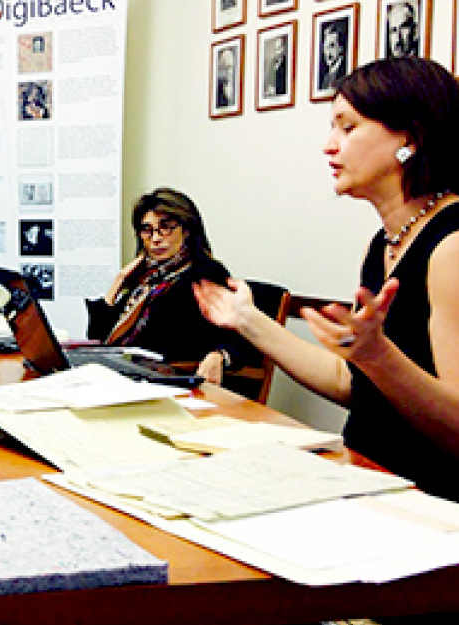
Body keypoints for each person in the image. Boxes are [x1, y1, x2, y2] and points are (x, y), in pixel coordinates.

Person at [194, 57, 459, 505]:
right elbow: (351, 382)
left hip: (430, 508)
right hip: (370, 481)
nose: (329, 146)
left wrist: (380, 357)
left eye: (348, 127)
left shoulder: (452, 246)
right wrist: (247, 320)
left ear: (409, 137)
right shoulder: (383, 244)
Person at [86, 188, 242, 385]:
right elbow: (97, 339)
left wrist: (219, 355)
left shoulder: (206, 273)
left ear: (186, 230)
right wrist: (118, 282)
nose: (156, 238)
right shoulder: (146, 279)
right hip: (128, 376)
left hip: (167, 382)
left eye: (166, 227)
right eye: (147, 230)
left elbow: (234, 334)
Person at [318, 19, 348, 92]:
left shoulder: (345, 74)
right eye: (325, 48)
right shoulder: (326, 78)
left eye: (332, 46)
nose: (327, 53)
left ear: (341, 48)